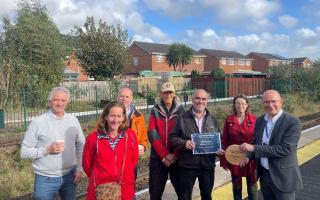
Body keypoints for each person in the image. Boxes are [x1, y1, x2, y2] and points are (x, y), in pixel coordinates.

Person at [20, 87, 85, 200]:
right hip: (45, 179)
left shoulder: (73, 120)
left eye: (63, 100)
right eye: (56, 100)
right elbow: (24, 152)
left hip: (70, 175)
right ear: (50, 101)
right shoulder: (38, 122)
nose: (59, 103)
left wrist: (80, 168)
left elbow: (81, 145)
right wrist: (47, 150)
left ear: (67, 103)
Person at [240, 90, 303, 200]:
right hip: (264, 175)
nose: (270, 105)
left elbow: (285, 149)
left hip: (283, 176)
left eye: (273, 101)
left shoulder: (293, 122)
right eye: (266, 102)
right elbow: (257, 142)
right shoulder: (260, 120)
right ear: (262, 103)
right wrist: (248, 156)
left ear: (281, 102)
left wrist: (253, 148)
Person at [170, 89, 222, 200]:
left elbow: (218, 139)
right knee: (184, 197)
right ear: (192, 100)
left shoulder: (213, 119)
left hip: (207, 165)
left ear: (207, 101)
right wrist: (184, 143)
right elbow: (173, 138)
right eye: (197, 98)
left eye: (204, 99)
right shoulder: (182, 118)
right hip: (187, 166)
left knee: (207, 196)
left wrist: (219, 150)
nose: (200, 101)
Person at [82, 101, 138, 200]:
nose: (116, 120)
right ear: (106, 117)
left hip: (125, 190)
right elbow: (87, 164)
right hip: (101, 191)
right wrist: (100, 177)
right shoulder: (93, 138)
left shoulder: (131, 136)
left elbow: (133, 160)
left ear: (124, 117)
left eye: (119, 116)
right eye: (112, 116)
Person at [148, 82, 184, 200]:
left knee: (182, 191)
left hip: (177, 157)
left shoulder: (181, 110)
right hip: (158, 157)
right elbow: (152, 133)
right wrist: (164, 155)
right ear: (161, 94)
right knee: (155, 192)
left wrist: (174, 154)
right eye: (165, 93)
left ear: (174, 94)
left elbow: (183, 133)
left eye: (170, 92)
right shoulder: (155, 110)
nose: (168, 95)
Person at [220, 94, 257, 200]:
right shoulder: (229, 120)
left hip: (250, 159)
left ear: (247, 105)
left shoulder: (254, 120)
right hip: (234, 158)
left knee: (252, 188)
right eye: (238, 103)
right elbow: (225, 140)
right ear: (234, 105)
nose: (240, 105)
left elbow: (258, 141)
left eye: (243, 103)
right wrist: (224, 160)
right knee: (236, 188)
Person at [117, 87, 147, 156]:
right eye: (122, 96)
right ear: (117, 97)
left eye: (127, 97)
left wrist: (143, 146)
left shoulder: (138, 116)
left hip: (132, 154)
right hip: (115, 154)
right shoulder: (108, 114)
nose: (124, 99)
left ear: (131, 99)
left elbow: (143, 134)